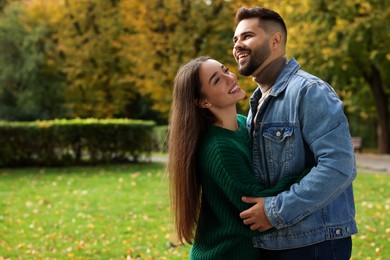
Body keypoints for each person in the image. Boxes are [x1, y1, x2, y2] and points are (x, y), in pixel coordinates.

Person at [232, 6, 358, 259]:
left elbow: (339, 165)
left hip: (314, 244)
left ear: (275, 40)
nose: (237, 46)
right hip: (273, 242)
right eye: (235, 40)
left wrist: (274, 211)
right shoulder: (257, 102)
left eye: (246, 36)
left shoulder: (309, 91)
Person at [167, 56, 308, 259]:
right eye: (217, 80)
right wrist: (306, 171)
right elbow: (255, 212)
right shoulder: (219, 148)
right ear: (203, 101)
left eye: (225, 70)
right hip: (226, 254)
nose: (230, 78)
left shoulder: (243, 124)